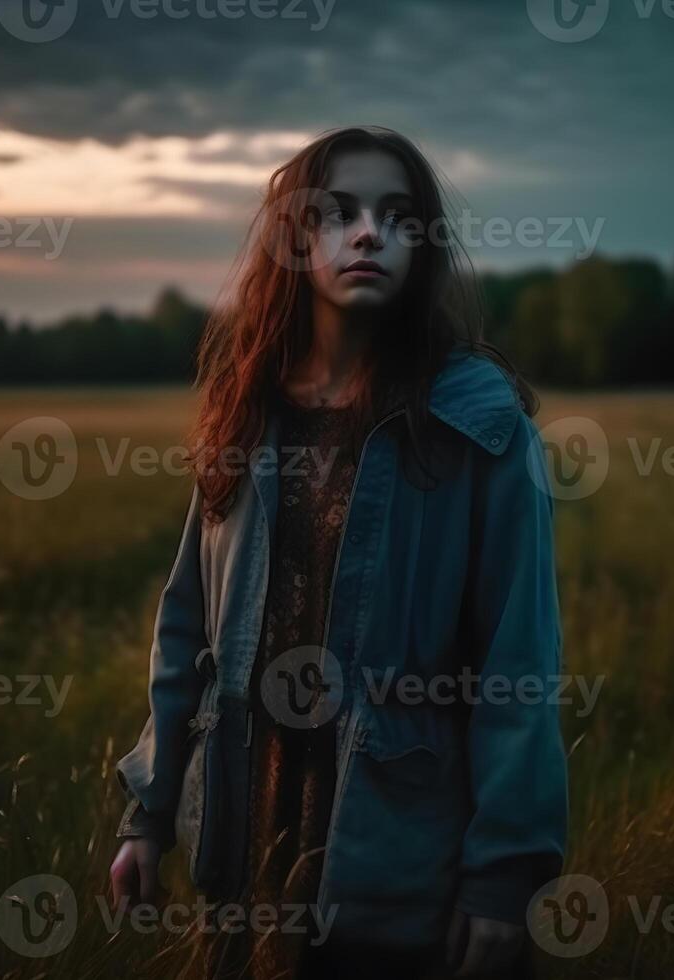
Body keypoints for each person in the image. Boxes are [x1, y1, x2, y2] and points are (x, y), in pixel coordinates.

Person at [108, 126, 567, 980]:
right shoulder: (248, 413)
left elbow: (520, 663)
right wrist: (150, 814)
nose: (368, 233)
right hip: (247, 836)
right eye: (340, 213)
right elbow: (185, 635)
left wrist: (505, 878)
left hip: (398, 852)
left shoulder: (482, 424)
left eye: (397, 217)